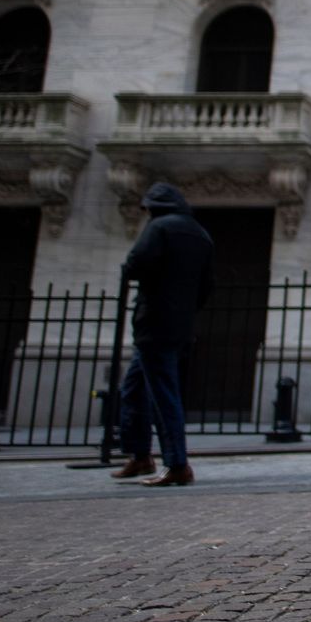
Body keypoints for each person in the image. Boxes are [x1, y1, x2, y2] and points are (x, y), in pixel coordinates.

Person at [112, 181, 214, 487]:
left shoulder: (159, 228)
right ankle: (140, 455)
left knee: (162, 394)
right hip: (180, 324)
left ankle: (177, 464)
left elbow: (134, 265)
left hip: (154, 323)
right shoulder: (200, 233)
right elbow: (207, 285)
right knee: (134, 389)